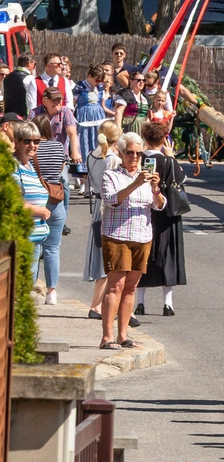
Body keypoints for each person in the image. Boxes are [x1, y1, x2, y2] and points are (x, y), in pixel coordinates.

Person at [100, 132, 166, 349]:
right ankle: (107, 337)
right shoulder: (111, 175)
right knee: (116, 286)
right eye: (130, 153)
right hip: (117, 235)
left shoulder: (146, 177)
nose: (135, 157)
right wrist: (136, 184)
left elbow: (159, 205)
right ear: (120, 152)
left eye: (138, 154)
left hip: (142, 236)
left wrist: (155, 189)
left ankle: (123, 335)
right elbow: (111, 200)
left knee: (130, 288)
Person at [133, 121, 187, 315]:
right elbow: (181, 179)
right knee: (168, 256)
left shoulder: (138, 159)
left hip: (142, 211)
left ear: (145, 139)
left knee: (142, 256)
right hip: (166, 214)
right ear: (164, 140)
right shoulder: (168, 161)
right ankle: (168, 303)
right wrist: (171, 157)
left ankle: (140, 302)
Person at [84, 121, 123, 319]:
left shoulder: (91, 156)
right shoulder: (113, 160)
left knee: (102, 255)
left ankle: (102, 305)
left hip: (98, 206)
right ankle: (97, 306)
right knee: (109, 258)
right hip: (109, 208)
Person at [31, 116, 69, 304]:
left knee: (34, 247)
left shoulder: (32, 149)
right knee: (53, 248)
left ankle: (31, 289)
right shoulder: (58, 147)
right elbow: (61, 168)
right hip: (56, 200)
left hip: (36, 199)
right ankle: (51, 292)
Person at [13, 122, 51, 295]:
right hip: (20, 237)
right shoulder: (14, 166)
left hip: (35, 237)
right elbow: (12, 203)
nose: (33, 145)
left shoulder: (30, 165)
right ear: (17, 141)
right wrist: (40, 211)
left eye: (36, 141)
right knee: (17, 290)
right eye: (27, 141)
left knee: (26, 289)